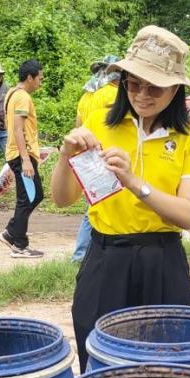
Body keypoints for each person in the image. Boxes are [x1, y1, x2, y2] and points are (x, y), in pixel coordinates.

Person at [52, 26, 190, 360]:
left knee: (162, 359)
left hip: (162, 263)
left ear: (175, 90)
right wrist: (66, 156)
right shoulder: (99, 123)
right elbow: (63, 199)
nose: (142, 95)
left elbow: (187, 215)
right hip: (106, 258)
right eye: (134, 84)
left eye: (155, 87)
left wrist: (134, 182)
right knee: (97, 355)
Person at [71, 54, 122, 262]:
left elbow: (77, 126)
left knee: (94, 203)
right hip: (109, 155)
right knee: (99, 205)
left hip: (87, 157)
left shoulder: (86, 96)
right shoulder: (113, 95)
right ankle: (81, 254)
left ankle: (83, 253)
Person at [0, 60, 46, 258]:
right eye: (39, 79)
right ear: (30, 77)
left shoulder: (11, 93)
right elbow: (18, 129)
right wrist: (26, 159)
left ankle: (12, 233)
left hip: (18, 153)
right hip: (20, 156)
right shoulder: (23, 98)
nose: (40, 83)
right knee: (28, 198)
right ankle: (18, 243)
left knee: (33, 196)